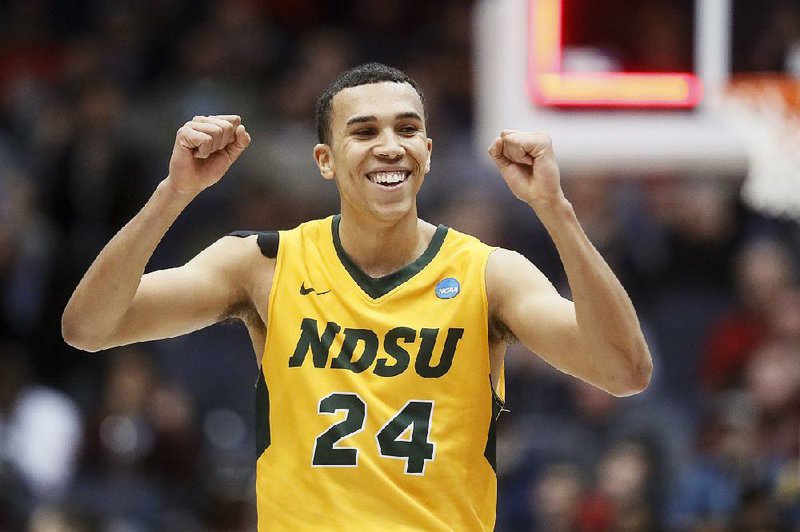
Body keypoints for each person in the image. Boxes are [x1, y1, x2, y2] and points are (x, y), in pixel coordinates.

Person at [62, 63, 652, 530]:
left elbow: (624, 372)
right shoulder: (262, 263)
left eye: (407, 128)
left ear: (429, 151)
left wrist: (557, 210)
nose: (389, 146)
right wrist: (173, 193)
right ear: (325, 160)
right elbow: (88, 326)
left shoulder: (489, 274)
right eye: (364, 131)